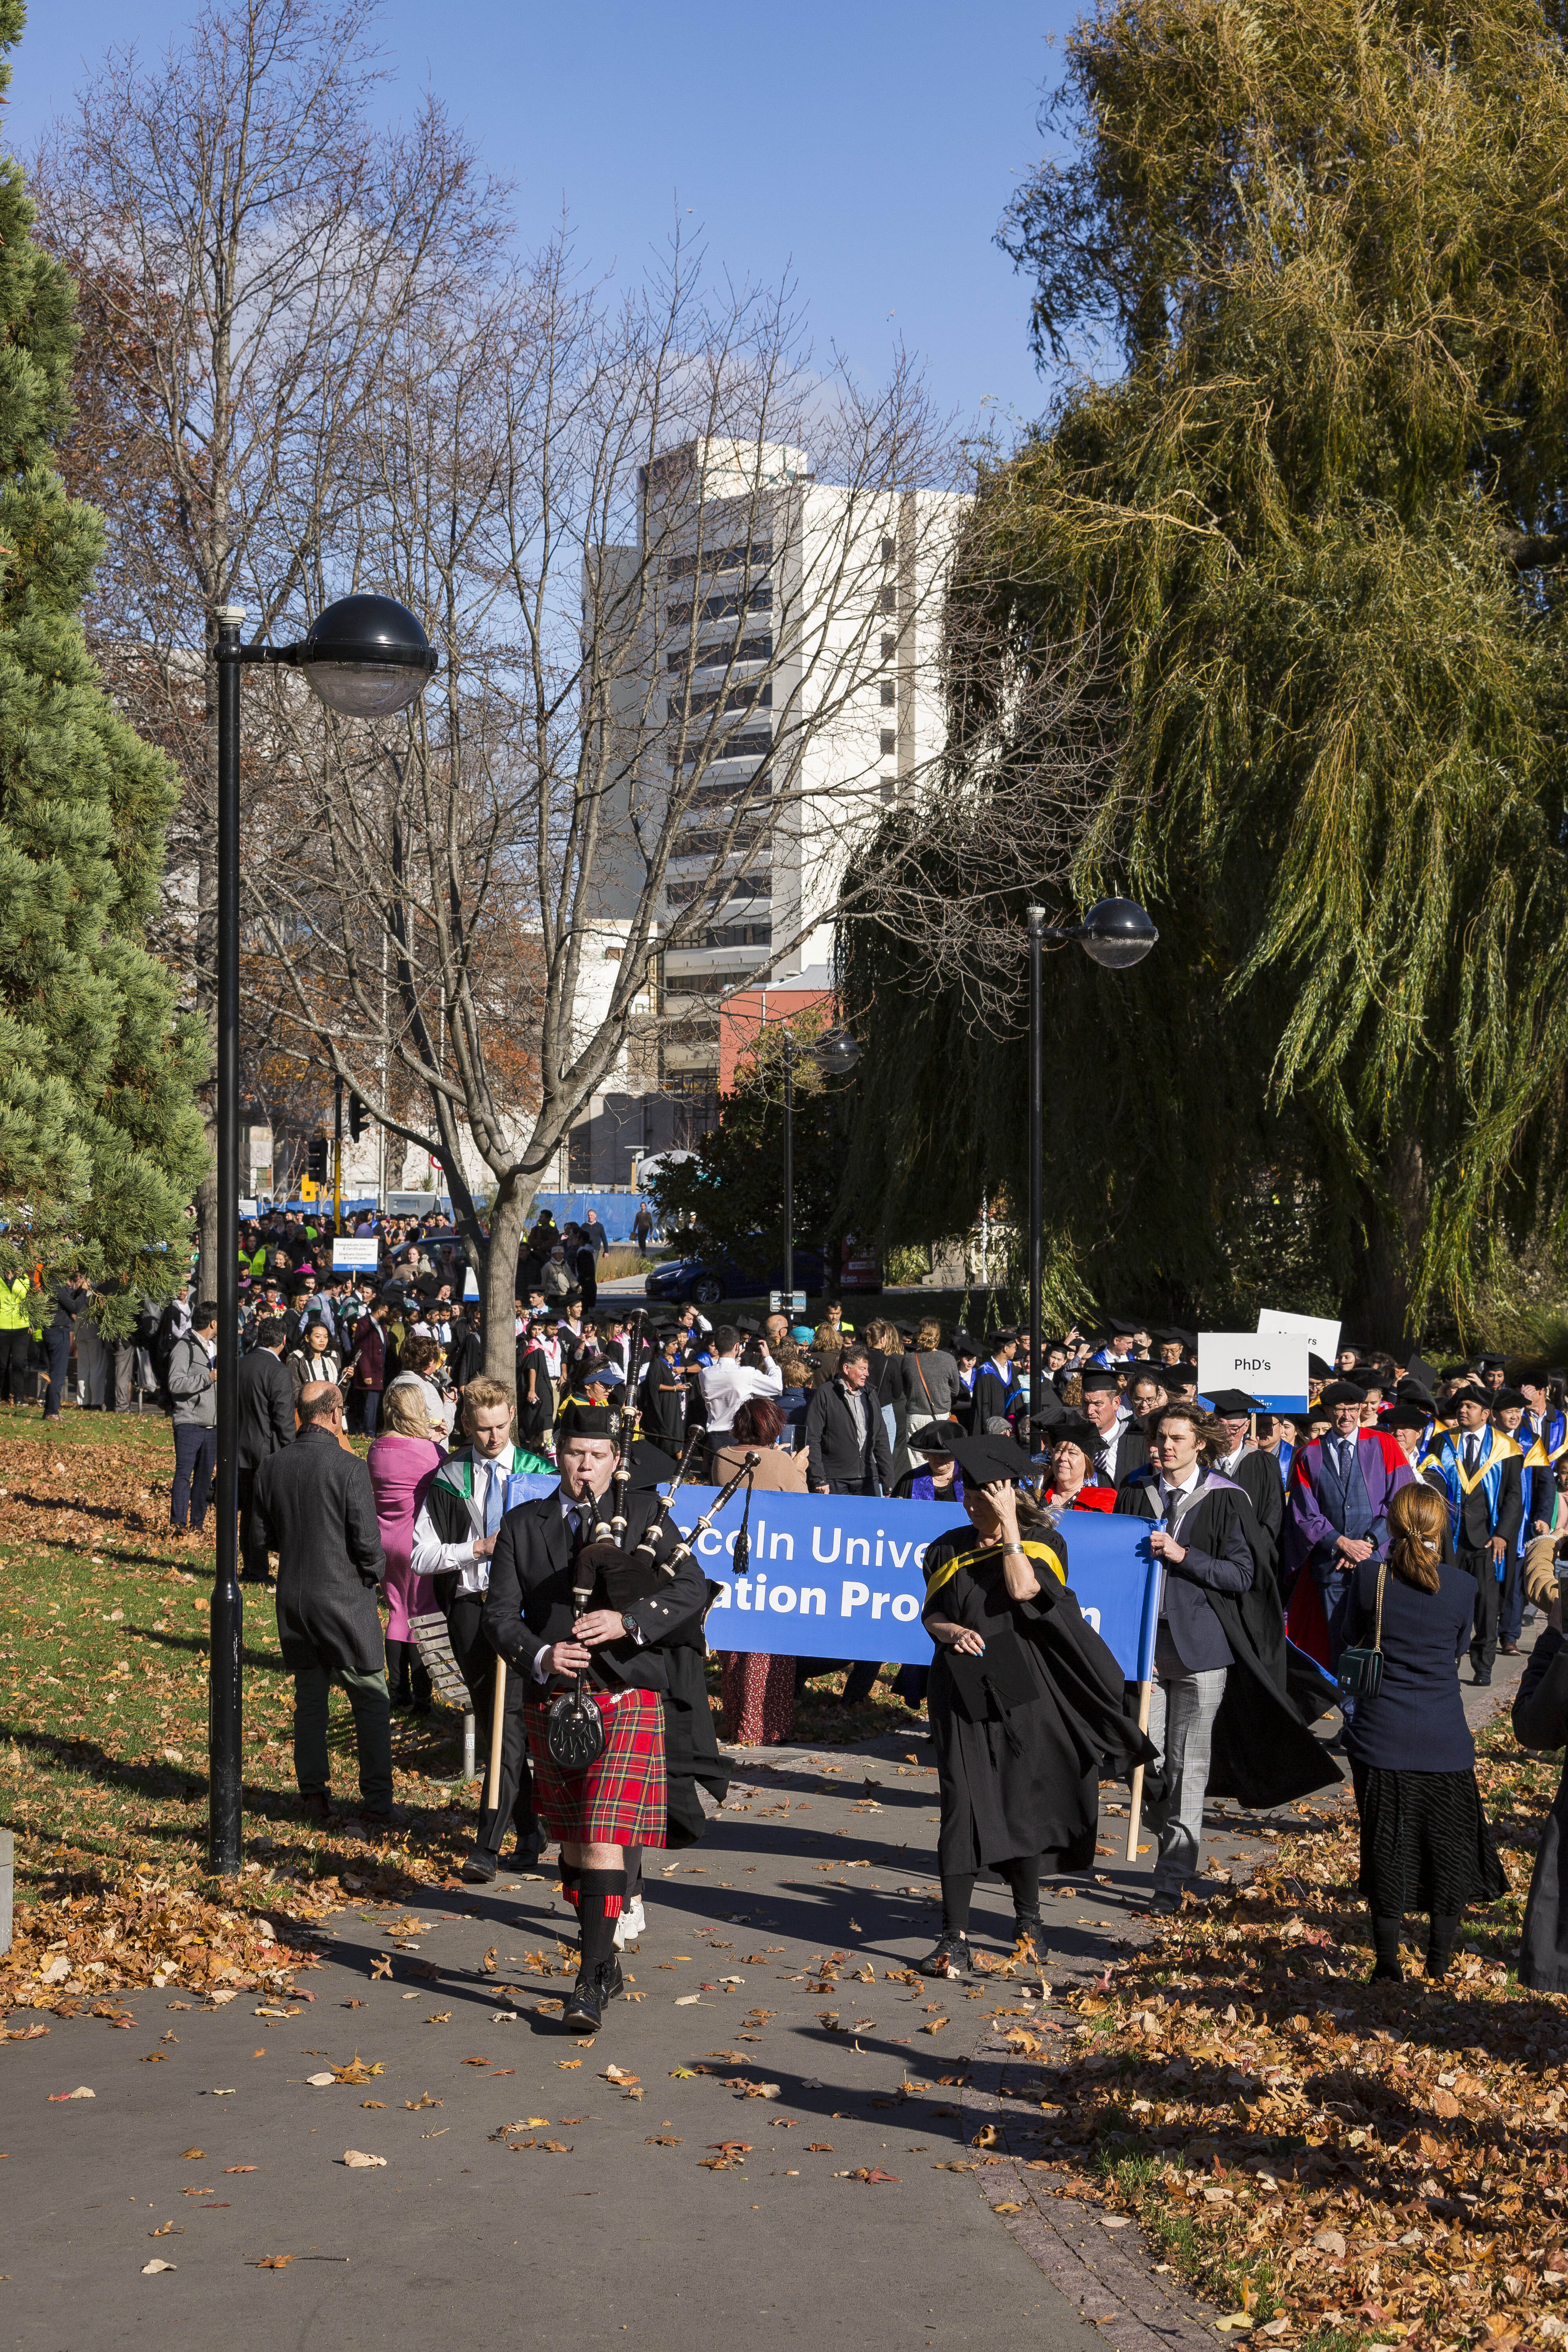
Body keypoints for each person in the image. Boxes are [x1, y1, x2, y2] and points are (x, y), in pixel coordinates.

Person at [481, 1403, 709, 2033]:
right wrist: (543, 1653)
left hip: (627, 1692)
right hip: (556, 1700)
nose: (587, 1466)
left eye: (599, 1456)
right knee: (577, 1842)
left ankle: (587, 1980)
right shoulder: (525, 1525)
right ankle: (604, 1957)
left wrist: (627, 1623)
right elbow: (499, 1616)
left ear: (616, 1460)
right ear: (558, 1453)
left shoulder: (647, 1517)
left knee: (605, 1833)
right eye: (576, 1453)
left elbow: (693, 1590)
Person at [917, 1429, 1154, 1974]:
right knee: (961, 1807)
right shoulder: (947, 1546)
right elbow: (928, 1613)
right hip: (961, 1684)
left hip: (1025, 1686)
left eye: (985, 1495)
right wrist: (949, 1630)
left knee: (1016, 1805)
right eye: (969, 1495)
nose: (973, 1503)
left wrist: (1009, 1530)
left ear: (1009, 1494)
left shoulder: (1045, 1543)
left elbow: (1025, 1591)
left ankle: (1029, 1922)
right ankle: (954, 1938)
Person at [1118, 1401, 1340, 1907]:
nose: (1166, 1447)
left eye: (1177, 1438)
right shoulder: (1136, 1494)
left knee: (1188, 1765)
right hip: (1147, 1649)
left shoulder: (1225, 1499)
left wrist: (1183, 1557)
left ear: (1201, 1444)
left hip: (1202, 1650)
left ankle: (1171, 1877)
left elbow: (1243, 1575)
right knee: (1145, 1762)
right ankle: (1161, 1827)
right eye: (1161, 1438)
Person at [1346, 1483, 1506, 1983]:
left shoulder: (1368, 1579)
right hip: (1445, 1737)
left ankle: (1387, 1963)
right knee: (1449, 1851)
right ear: (1442, 1526)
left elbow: (1348, 1640)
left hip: (1380, 1734)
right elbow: (1460, 1647)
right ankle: (1438, 1963)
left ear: (1391, 1526)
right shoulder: (1462, 1587)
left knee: (1386, 1849)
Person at [410, 1376, 554, 1882]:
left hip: (521, 1611)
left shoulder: (539, 1474)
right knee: (494, 1718)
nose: (493, 1438)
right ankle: (531, 1831)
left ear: (512, 1415)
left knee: (509, 1719)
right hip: (471, 1607)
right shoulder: (450, 1478)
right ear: (467, 1424)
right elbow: (419, 1554)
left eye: (500, 1426)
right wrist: (475, 1549)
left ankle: (487, 1844)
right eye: (482, 1429)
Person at [253, 1380, 395, 1823]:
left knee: (310, 1700)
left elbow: (260, 1538)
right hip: (347, 1597)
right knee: (371, 1698)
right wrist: (374, 1577)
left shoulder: (270, 1467)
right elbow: (369, 1545)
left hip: (295, 1597)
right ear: (335, 1414)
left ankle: (313, 1794)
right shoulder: (349, 1468)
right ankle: (377, 1802)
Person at [1282, 1380, 1414, 1700]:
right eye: (1339, 1409)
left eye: (1353, 1409)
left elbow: (1400, 1499)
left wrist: (1368, 1542)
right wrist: (1340, 1543)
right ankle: (1349, 1712)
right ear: (1327, 1411)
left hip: (1377, 1561)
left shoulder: (1384, 1444)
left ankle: (1372, 1709)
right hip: (1331, 1565)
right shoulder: (1308, 1454)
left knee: (1375, 1637)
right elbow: (1303, 1512)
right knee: (1338, 1639)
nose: (1346, 1416)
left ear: (1362, 1410)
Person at [714, 1397, 809, 1745]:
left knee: (735, 1646)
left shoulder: (721, 1457)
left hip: (734, 1559)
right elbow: (803, 1503)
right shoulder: (781, 1461)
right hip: (774, 1559)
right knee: (769, 1649)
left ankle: (737, 1717)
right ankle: (765, 1726)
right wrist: (797, 1467)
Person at [1419, 1385, 1523, 1686]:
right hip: (1449, 1538)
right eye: (1460, 1406)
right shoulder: (1442, 1442)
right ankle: (1446, 1660)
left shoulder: (1506, 1448)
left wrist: (1503, 1534)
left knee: (1487, 1606)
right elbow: (1430, 1482)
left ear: (1486, 1414)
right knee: (1448, 1600)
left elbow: (1515, 1496)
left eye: (1469, 1407)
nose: (1462, 1411)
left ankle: (1484, 1665)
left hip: (1488, 1541)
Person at [370, 1382, 445, 1713]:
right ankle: (423, 1697)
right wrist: (438, 1442)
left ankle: (398, 1693)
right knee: (422, 1615)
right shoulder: (430, 1453)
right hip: (417, 1539)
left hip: (385, 1539)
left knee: (397, 1611)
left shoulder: (376, 1449)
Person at [235, 1315, 295, 1582]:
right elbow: (284, 1418)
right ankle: (260, 1570)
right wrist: (292, 1450)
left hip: (238, 1448)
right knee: (268, 1513)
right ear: (283, 1341)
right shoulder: (279, 1371)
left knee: (248, 1512)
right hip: (268, 1451)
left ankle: (252, 1566)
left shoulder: (240, 1364)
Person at [1205, 1389, 1284, 1577]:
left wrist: (1253, 1552)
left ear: (1247, 1425)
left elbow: (1274, 1515)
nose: (1226, 1434)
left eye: (1234, 1428)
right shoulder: (1202, 1462)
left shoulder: (1264, 1463)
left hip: (1254, 1561)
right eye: (1220, 1426)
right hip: (1209, 1560)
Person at [806, 1342, 891, 1495]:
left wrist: (889, 1483)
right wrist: (819, 1479)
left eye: (867, 1369)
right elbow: (812, 1439)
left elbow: (881, 1439)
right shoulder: (825, 1394)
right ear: (846, 1369)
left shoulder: (871, 1395)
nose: (867, 1374)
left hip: (868, 1478)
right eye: (862, 1369)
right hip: (835, 1480)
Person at [168, 1301, 219, 1532]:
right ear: (214, 1323)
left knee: (205, 1477)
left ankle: (198, 1525)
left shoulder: (216, 1348)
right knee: (184, 1473)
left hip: (213, 1424)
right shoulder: (184, 1347)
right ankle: (179, 1523)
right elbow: (175, 1383)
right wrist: (208, 1378)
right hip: (189, 1421)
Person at [698, 1325, 782, 1461]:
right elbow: (778, 1387)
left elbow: (726, 1377)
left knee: (715, 1481)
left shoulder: (704, 1374)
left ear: (717, 1346)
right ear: (737, 1347)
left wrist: (736, 1361)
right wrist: (767, 1358)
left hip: (714, 1439)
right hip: (739, 1439)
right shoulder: (747, 1374)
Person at [1041, 1415, 1116, 1513]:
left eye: (1072, 1453)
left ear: (1087, 1462)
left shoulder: (1103, 1502)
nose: (1063, 1458)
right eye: (1059, 1451)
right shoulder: (1038, 1497)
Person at [347, 1294, 390, 1437]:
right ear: (379, 1310)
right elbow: (362, 1350)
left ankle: (373, 1430)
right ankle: (368, 1432)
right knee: (369, 1405)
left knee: (376, 1404)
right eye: (386, 1312)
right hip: (370, 1372)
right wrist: (366, 1374)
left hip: (381, 1371)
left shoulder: (382, 1326)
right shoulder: (363, 1324)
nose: (387, 1315)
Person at [287, 1316, 343, 1408]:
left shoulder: (333, 1358)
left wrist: (344, 1380)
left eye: (325, 1337)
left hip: (334, 1412)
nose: (322, 1340)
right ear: (307, 1338)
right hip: (310, 1413)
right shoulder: (297, 1360)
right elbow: (295, 1394)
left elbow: (341, 1397)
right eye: (318, 1337)